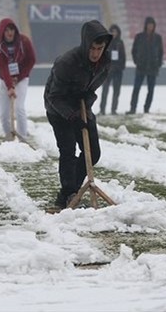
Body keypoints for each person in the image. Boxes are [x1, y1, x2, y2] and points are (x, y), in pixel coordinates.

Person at [44, 20, 113, 209]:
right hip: (58, 108)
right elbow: (54, 97)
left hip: (81, 105)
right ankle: (67, 193)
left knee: (93, 151)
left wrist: (87, 98)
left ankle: (72, 189)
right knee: (68, 150)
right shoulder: (66, 63)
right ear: (85, 44)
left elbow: (92, 89)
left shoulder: (104, 63)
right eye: (92, 48)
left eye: (100, 49)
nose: (95, 53)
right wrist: (72, 117)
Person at [0, 18, 36, 141]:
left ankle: (22, 138)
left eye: (11, 29)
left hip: (21, 78)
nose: (9, 32)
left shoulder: (24, 41)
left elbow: (31, 60)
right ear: (2, 32)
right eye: (6, 30)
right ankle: (9, 138)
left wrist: (19, 77)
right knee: (4, 113)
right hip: (5, 79)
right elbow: (3, 66)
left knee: (19, 108)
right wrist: (10, 85)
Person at [127, 16, 163, 114]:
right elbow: (134, 50)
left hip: (152, 68)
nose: (150, 26)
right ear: (146, 25)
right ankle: (132, 108)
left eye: (152, 25)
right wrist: (137, 61)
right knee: (136, 88)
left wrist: (158, 64)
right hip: (141, 67)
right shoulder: (139, 37)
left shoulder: (158, 38)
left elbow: (160, 52)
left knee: (150, 90)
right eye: (149, 24)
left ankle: (146, 109)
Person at [99, 24, 126, 115]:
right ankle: (102, 109)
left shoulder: (120, 43)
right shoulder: (106, 43)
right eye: (112, 31)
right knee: (105, 91)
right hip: (107, 70)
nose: (114, 33)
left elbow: (123, 56)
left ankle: (113, 109)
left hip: (118, 71)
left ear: (118, 33)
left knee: (116, 91)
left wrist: (121, 67)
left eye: (115, 31)